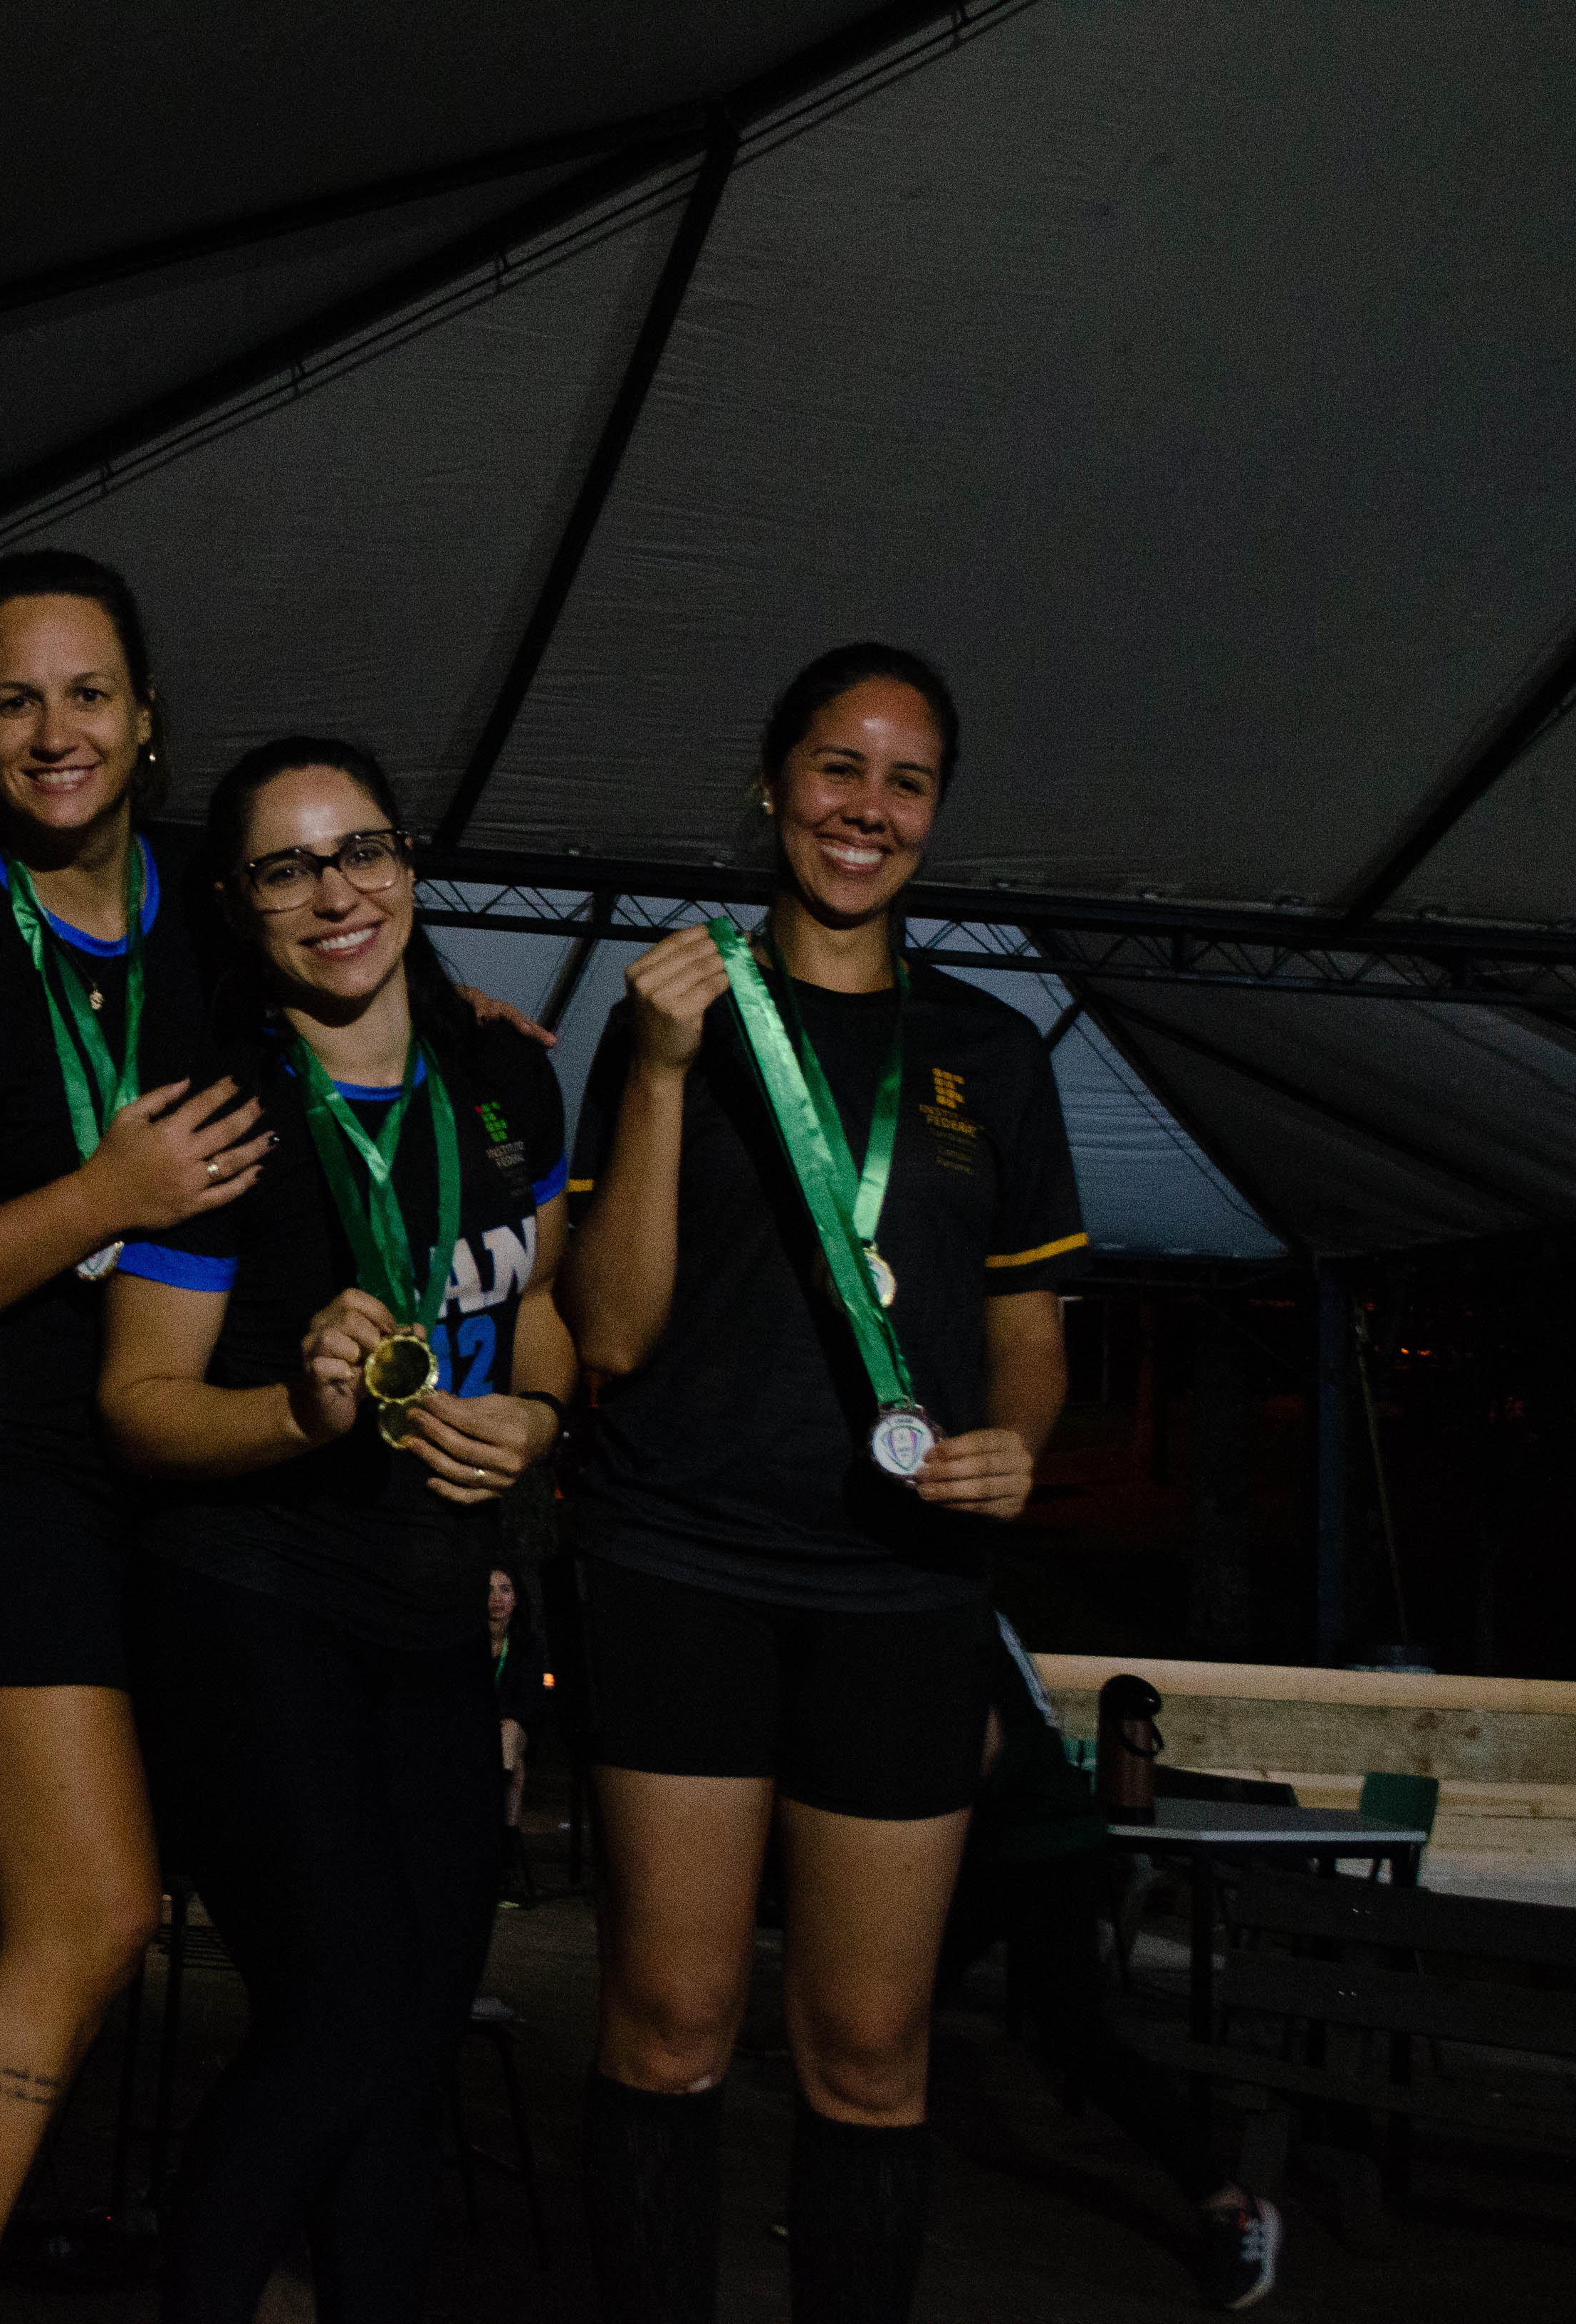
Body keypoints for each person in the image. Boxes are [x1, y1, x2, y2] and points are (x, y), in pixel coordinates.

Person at [555, 644, 1086, 2323]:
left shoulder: (992, 1053)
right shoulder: (667, 1016)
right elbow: (609, 1333)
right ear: (773, 783)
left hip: (900, 1590)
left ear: (935, 813)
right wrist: (654, 1071)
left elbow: (1027, 1334)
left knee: (866, 2047)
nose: (867, 809)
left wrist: (1018, 1444)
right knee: (669, 2024)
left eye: (904, 781)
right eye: (837, 768)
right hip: (680, 1562)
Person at [0, 550, 263, 2323]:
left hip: (132, 1476)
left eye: (87, 692)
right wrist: (103, 1194)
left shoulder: (217, 915)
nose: (54, 731)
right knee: (91, 1915)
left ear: (148, 717)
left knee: (27, 1924)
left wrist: (451, 1023)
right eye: (14, 700)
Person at [97, 736, 577, 2323]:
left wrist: (538, 1419)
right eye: (286, 867)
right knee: (343, 2012)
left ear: (409, 862)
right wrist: (297, 1416)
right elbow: (138, 1405)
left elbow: (541, 1309)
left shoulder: (505, 1077)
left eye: (360, 848)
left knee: (415, 2032)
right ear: (238, 905)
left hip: (431, 1607)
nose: (334, 892)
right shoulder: (219, 1114)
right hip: (250, 1595)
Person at [946, 1618, 1278, 2310]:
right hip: (981, 1849)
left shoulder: (956, 1608)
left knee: (1077, 2040)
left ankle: (1228, 2203)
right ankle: (847, 2189)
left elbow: (985, 1751)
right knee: (878, 2015)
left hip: (1044, 1847)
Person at [486, 1565, 543, 1889]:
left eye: (505, 1589)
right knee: (516, 1772)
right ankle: (505, 1860)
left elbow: (530, 1705)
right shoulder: (467, 1642)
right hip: (477, 1734)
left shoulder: (527, 1645)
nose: (496, 1597)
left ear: (517, 1598)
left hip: (512, 1730)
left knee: (508, 1729)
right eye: (489, 1590)